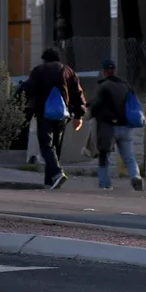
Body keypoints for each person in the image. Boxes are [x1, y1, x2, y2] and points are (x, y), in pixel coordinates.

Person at [16, 47, 86, 189]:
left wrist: (17, 103)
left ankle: (57, 173)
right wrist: (79, 115)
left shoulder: (39, 71)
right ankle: (51, 181)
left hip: (44, 114)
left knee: (46, 146)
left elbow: (28, 89)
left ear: (44, 59)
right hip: (62, 115)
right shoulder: (68, 71)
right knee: (55, 147)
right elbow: (78, 93)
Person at [87, 59, 145, 191]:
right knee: (129, 157)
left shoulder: (103, 87)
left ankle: (105, 185)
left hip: (108, 127)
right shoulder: (125, 85)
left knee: (104, 156)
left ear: (103, 72)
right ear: (115, 71)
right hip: (125, 126)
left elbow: (95, 105)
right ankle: (135, 176)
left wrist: (87, 111)